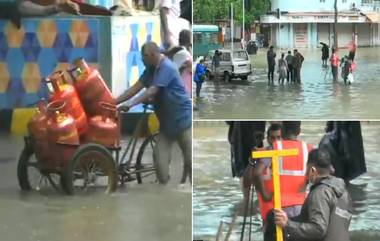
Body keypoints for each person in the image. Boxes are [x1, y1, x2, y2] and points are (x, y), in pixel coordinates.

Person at [116, 42, 192, 184]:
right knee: (159, 162)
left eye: (143, 58)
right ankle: (167, 194)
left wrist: (131, 104)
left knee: (190, 160)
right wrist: (115, 102)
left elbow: (152, 90)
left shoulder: (167, 67)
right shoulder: (150, 69)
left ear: (151, 55)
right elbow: (135, 88)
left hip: (182, 120)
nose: (142, 61)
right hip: (166, 124)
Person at [274, 148, 352, 241]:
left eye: (306, 170)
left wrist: (287, 224)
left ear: (312, 170)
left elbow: (319, 229)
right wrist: (289, 220)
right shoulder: (344, 193)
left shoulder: (320, 193)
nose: (306, 174)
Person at [252, 121, 313, 241]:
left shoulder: (275, 147)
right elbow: (314, 175)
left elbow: (257, 173)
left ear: (283, 129)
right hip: (302, 207)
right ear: (299, 131)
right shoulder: (308, 149)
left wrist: (265, 195)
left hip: (279, 207)